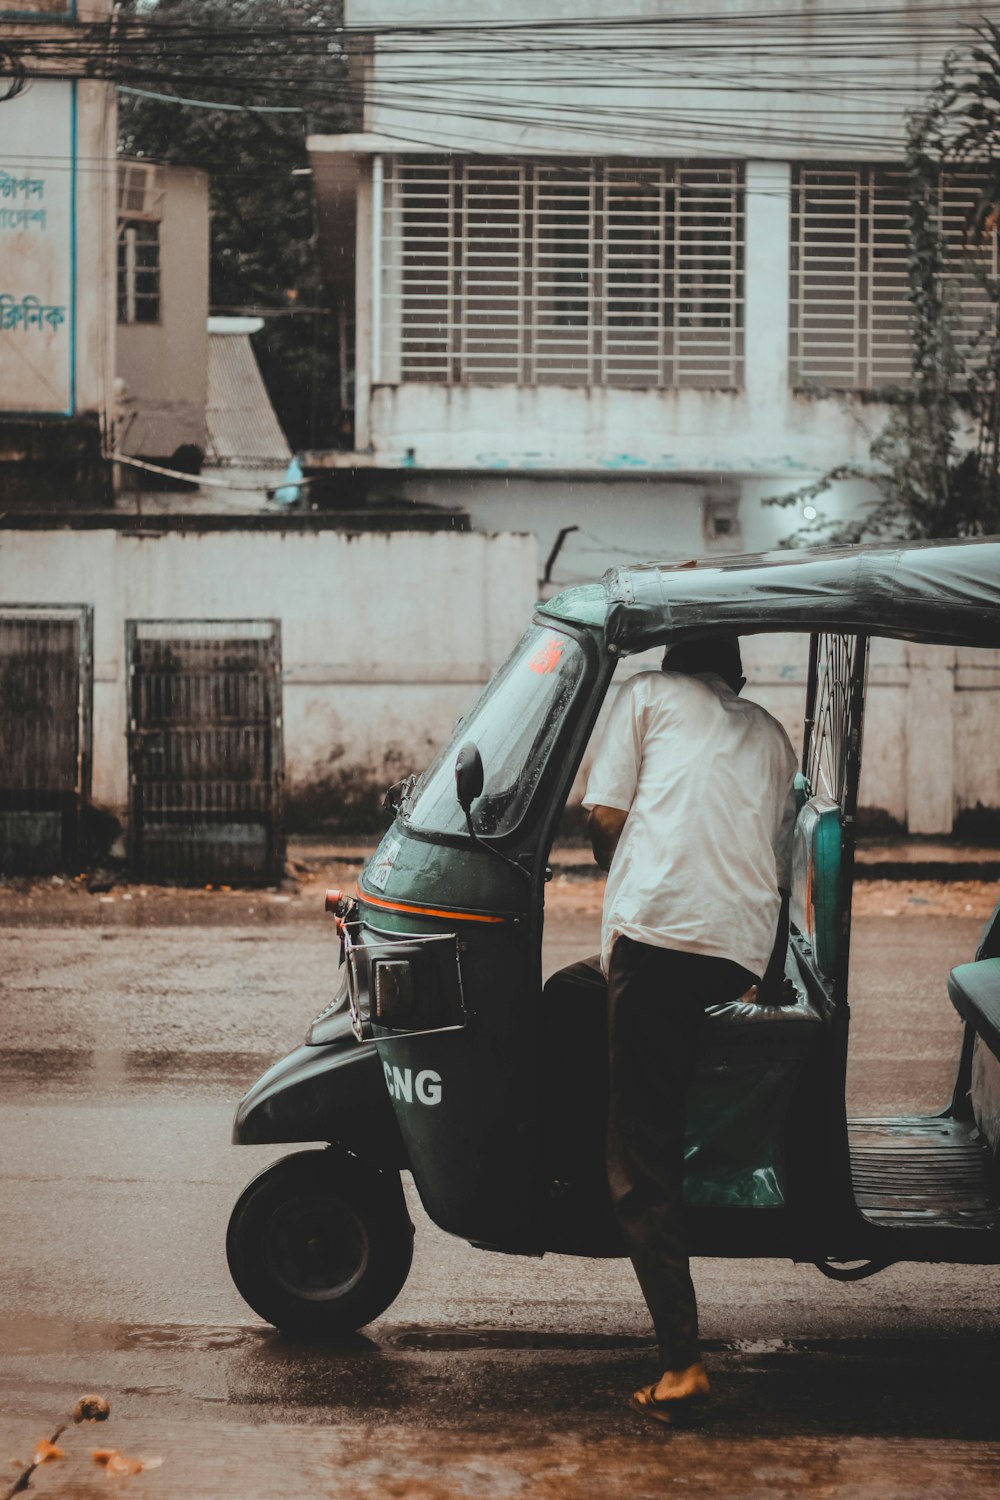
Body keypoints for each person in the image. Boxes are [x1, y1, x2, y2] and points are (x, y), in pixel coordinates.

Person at [579, 634, 796, 1423]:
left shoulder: (644, 694)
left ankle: (681, 1367)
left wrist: (628, 855)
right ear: (735, 674)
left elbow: (603, 816)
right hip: (735, 950)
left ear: (674, 662)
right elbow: (775, 861)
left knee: (641, 1156)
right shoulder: (770, 731)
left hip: (660, 935)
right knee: (574, 992)